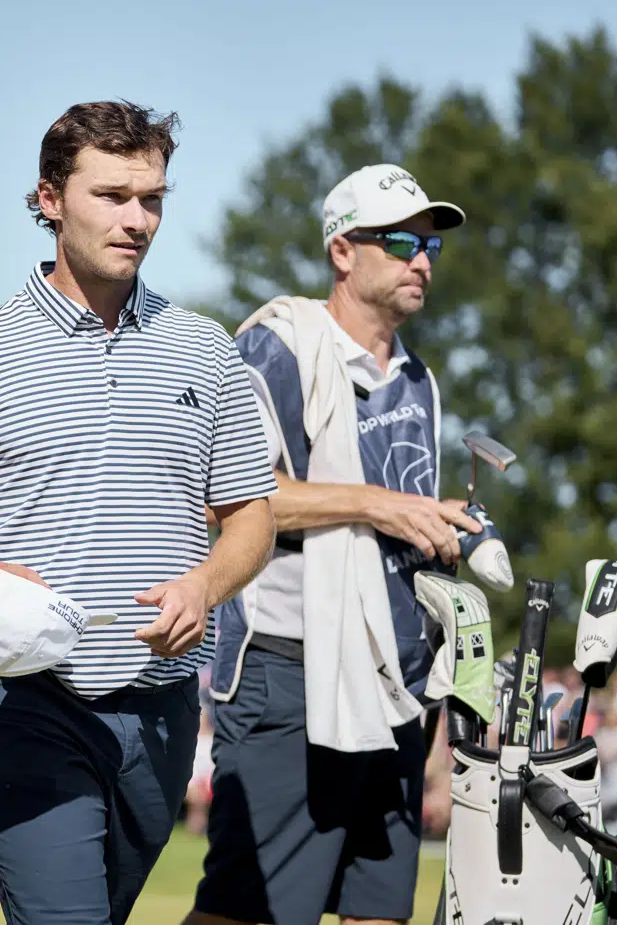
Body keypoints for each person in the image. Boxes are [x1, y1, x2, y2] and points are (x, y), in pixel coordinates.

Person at [0, 100, 276, 925]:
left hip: (162, 708)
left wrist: (204, 587)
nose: (137, 219)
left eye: (152, 199)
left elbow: (252, 519)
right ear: (50, 198)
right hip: (20, 700)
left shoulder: (206, 349)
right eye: (112, 196)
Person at [184, 164, 481, 925]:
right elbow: (240, 499)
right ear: (343, 250)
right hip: (289, 666)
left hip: (395, 679)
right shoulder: (275, 348)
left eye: (430, 246)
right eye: (401, 242)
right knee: (248, 912)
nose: (422, 260)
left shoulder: (418, 378)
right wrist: (380, 505)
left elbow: (397, 514)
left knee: (379, 912)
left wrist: (434, 521)